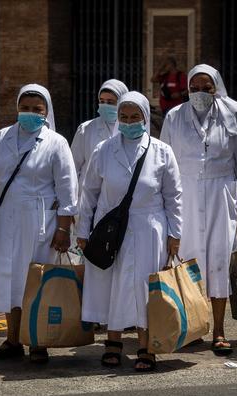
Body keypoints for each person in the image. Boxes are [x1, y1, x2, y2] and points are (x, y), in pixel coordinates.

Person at [0, 84, 77, 364]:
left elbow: (67, 191)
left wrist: (64, 229)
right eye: (25, 108)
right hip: (6, 220)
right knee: (9, 279)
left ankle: (38, 340)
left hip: (41, 224)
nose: (30, 114)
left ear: (46, 112)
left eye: (36, 110)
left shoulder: (56, 143)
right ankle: (13, 339)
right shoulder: (0, 140)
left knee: (35, 282)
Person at [77, 91, 182, 371]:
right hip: (110, 229)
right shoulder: (104, 149)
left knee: (144, 288)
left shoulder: (162, 151)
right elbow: (88, 194)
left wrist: (175, 234)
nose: (128, 122)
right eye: (124, 117)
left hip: (149, 228)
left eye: (135, 117)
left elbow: (174, 196)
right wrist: (82, 231)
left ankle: (147, 345)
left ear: (145, 118)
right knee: (112, 284)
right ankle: (113, 342)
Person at [160, 64, 237, 355]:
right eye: (194, 88)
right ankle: (192, 326)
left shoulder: (232, 113)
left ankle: (219, 330)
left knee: (218, 258)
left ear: (216, 88)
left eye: (206, 88)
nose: (200, 93)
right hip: (184, 195)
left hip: (220, 193)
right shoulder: (174, 117)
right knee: (186, 260)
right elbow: (163, 161)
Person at [70, 79, 129, 178]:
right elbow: (73, 166)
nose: (105, 105)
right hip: (88, 190)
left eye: (110, 102)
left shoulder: (130, 130)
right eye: (102, 101)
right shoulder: (86, 129)